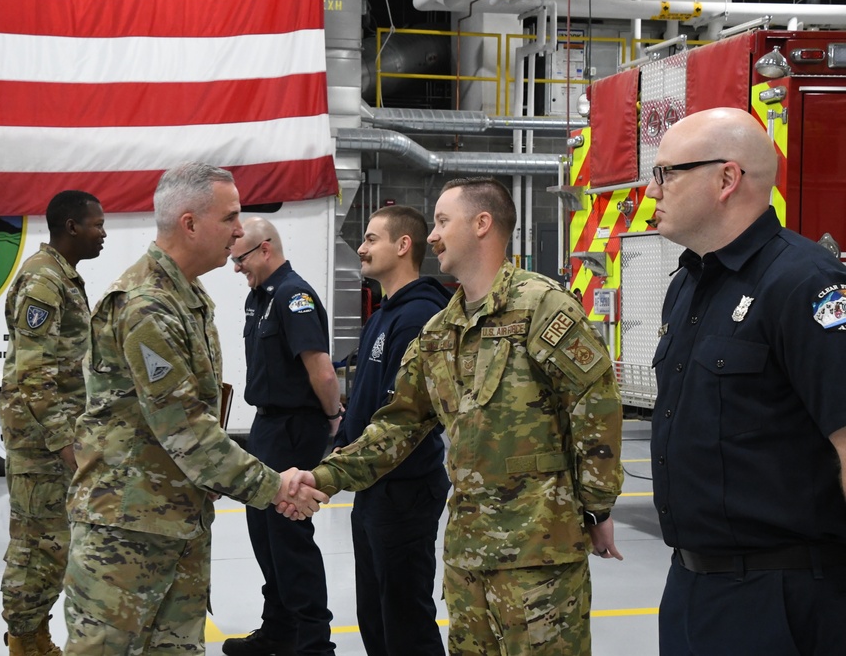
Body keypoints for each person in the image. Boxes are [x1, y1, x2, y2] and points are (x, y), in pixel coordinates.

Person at [287, 176, 625, 655]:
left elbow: (595, 402)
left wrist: (596, 506)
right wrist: (323, 477)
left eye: (443, 221)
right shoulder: (442, 329)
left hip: (537, 555)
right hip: (468, 558)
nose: (432, 235)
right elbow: (398, 425)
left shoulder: (540, 306)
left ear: (482, 224)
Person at [62, 163, 328, 656]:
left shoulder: (189, 296)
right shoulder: (147, 305)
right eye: (230, 217)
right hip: (126, 535)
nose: (238, 230)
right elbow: (184, 428)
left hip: (176, 524)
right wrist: (274, 487)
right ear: (189, 223)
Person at [646, 107, 846, 655]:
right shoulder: (688, 284)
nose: (651, 188)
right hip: (692, 587)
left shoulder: (806, 282)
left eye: (667, 173)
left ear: (727, 179)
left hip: (780, 597)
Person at [336, 205, 451, 656]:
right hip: (373, 486)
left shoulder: (418, 316)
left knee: (404, 617)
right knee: (375, 612)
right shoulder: (385, 314)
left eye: (371, 239)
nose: (361, 248)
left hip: (404, 489)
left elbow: (403, 417)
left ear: (403, 246)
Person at [221, 217, 339, 656]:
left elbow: (321, 369)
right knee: (264, 535)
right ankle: (279, 631)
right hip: (267, 426)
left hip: (295, 428)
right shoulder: (260, 297)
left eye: (241, 258)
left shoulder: (294, 296)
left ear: (265, 248)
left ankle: (312, 644)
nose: (236, 268)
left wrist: (332, 418)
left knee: (289, 537)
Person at [0, 189, 106, 656]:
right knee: (36, 545)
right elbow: (32, 370)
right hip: (41, 440)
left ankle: (34, 634)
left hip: (56, 431)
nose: (104, 233)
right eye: (97, 224)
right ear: (71, 227)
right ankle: (24, 640)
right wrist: (64, 440)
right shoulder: (44, 281)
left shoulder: (62, 276)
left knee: (52, 542)